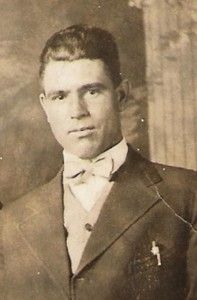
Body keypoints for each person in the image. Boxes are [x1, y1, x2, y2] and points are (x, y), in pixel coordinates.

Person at [1, 24, 197, 300]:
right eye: (60, 96)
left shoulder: (187, 197)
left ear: (120, 95)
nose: (77, 111)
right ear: (45, 106)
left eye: (92, 91)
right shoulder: (9, 224)